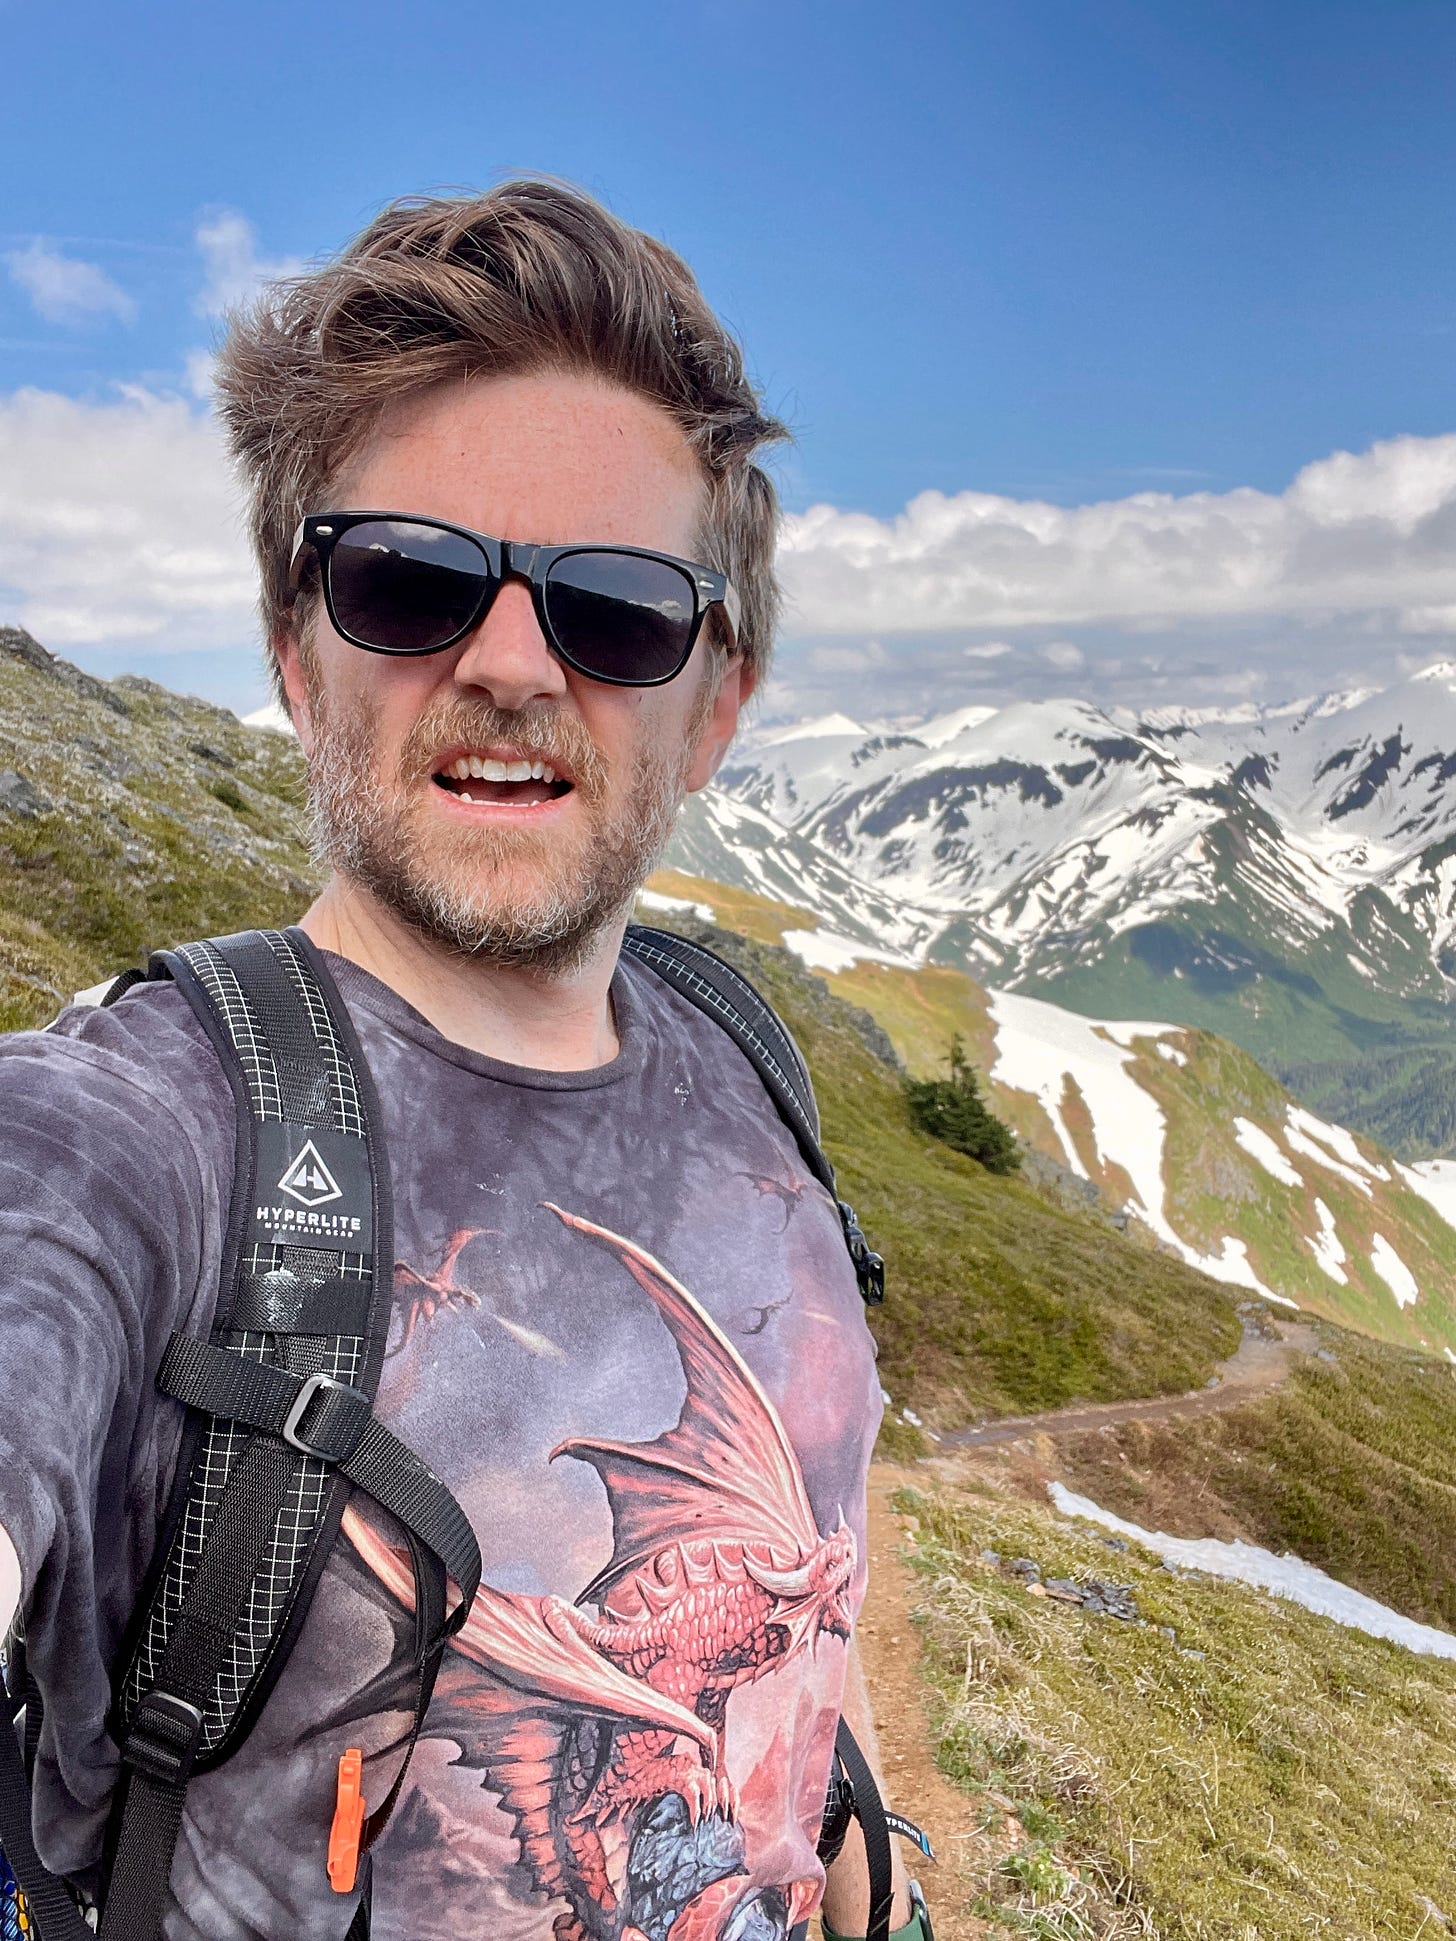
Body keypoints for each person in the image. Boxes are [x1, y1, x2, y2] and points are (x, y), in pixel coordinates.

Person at [0, 182, 913, 1941]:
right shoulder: (146, 1132)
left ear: (717, 697)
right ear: (293, 650)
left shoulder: (748, 1063)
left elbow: (820, 1614)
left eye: (619, 610)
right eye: (407, 583)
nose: (509, 662)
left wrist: (874, 1880)